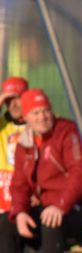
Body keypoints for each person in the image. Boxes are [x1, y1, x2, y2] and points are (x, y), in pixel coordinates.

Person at [0, 89, 82, 253]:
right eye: (35, 113)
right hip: (45, 209)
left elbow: (80, 173)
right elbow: (19, 184)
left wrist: (61, 206)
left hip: (77, 210)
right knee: (7, 222)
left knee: (50, 220)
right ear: (25, 118)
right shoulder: (25, 141)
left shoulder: (67, 131)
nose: (42, 117)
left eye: (45, 111)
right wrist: (20, 212)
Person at [0, 76, 29, 216]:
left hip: (26, 201)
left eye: (17, 98)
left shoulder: (39, 123)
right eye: (8, 100)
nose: (13, 105)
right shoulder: (2, 124)